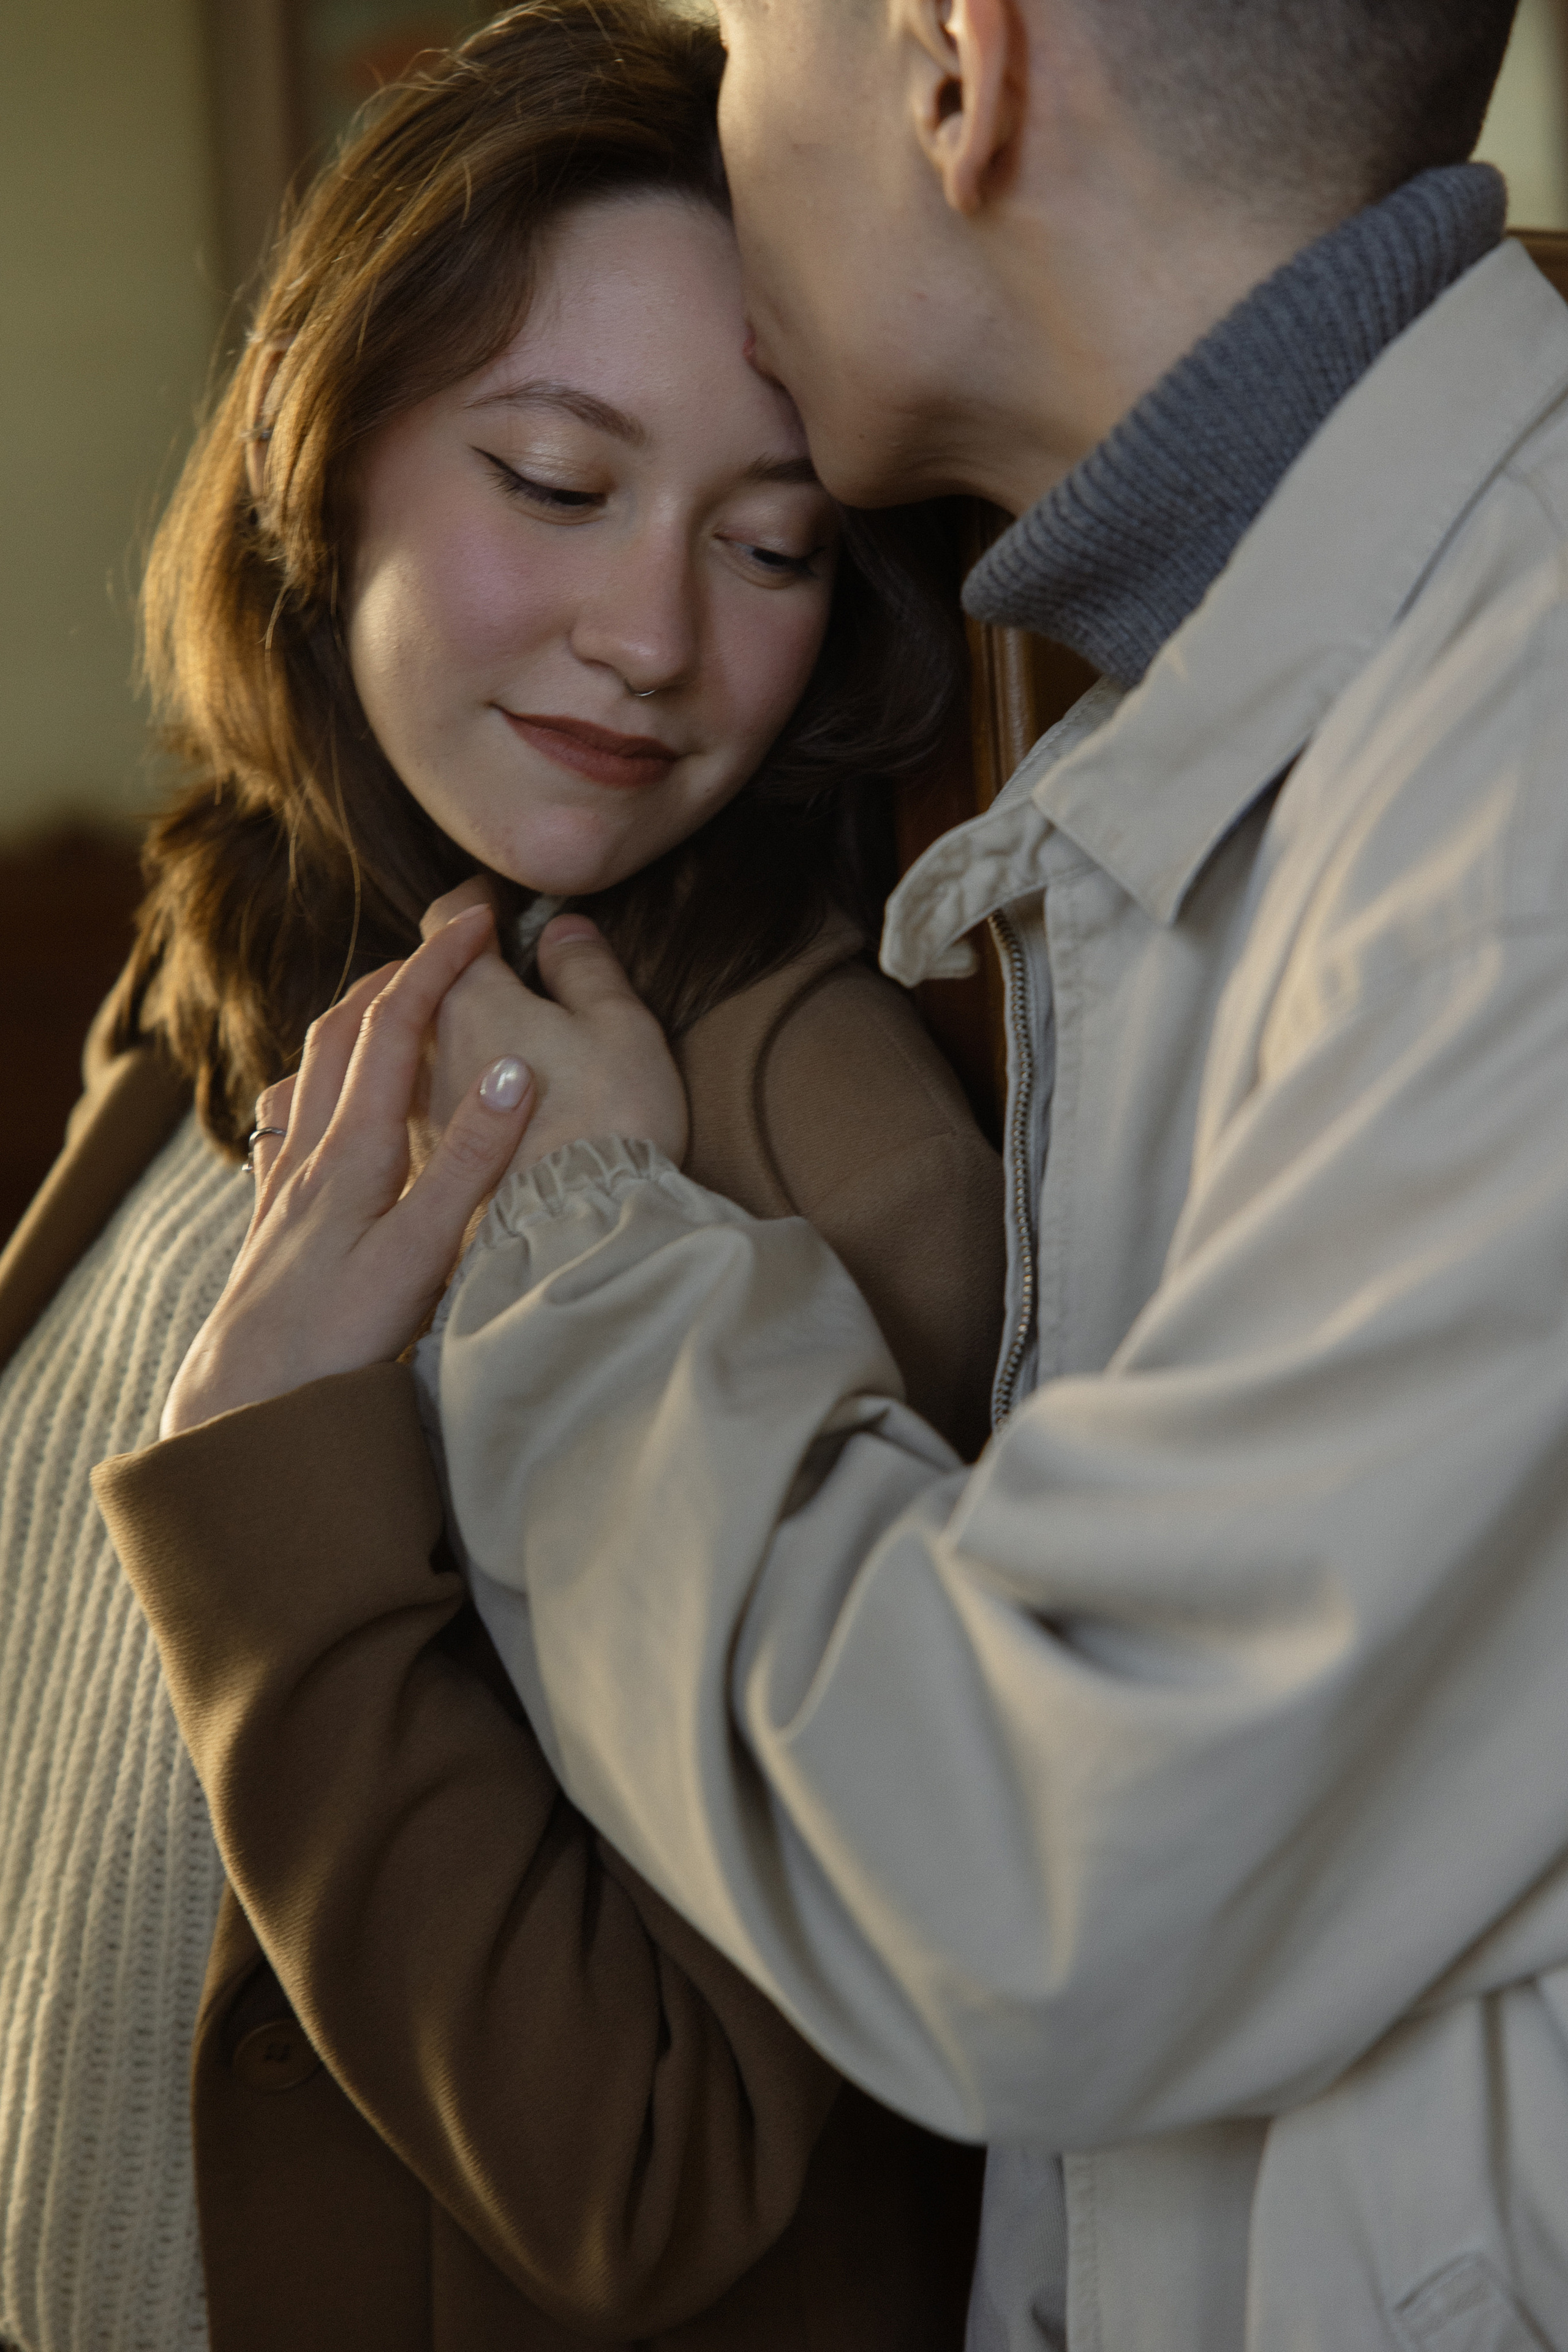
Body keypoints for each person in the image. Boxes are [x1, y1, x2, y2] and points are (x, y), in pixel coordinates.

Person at [141, 0, 1568, 2345]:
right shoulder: (1239, 736)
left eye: (745, 18)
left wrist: (584, 1256)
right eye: (557, 479)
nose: (722, 80)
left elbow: (1041, 1884)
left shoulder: (1488, 809)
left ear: (948, 60)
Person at [0, 7, 1006, 2349]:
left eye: (768, 546)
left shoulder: (834, 1159)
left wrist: (294, 1468)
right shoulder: (219, 956)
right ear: (314, 451)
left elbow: (658, 2164)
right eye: (557, 482)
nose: (654, 643)